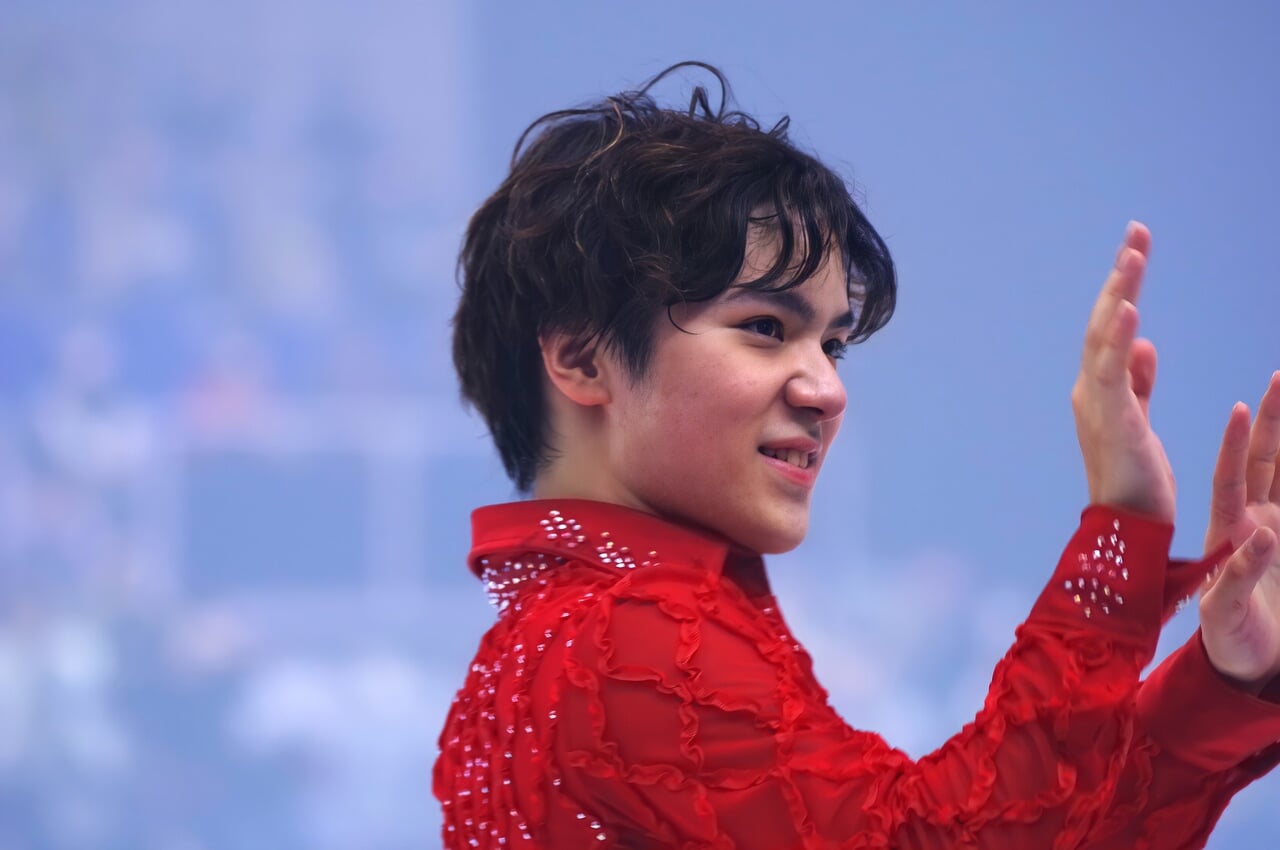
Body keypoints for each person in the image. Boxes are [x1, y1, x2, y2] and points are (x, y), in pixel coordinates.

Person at [433, 62, 1280, 849]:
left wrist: (1221, 681)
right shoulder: (630, 636)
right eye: (765, 327)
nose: (827, 391)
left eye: (833, 346)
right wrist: (1122, 529)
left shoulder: (549, 638)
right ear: (582, 359)